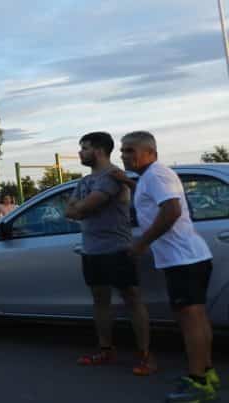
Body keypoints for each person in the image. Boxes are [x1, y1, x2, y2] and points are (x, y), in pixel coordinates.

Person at [115, 131, 218, 402]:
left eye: (130, 150)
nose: (124, 155)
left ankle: (198, 383)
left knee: (191, 322)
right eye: (122, 150)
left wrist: (142, 243)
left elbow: (171, 210)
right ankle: (206, 373)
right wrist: (127, 181)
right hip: (188, 258)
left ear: (151, 152)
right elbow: (154, 199)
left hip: (184, 260)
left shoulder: (156, 175)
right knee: (196, 319)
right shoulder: (151, 177)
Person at [64, 131, 155, 375]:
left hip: (118, 249)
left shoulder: (113, 176)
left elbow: (85, 207)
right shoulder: (85, 181)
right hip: (91, 251)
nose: (80, 153)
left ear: (99, 150)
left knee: (132, 299)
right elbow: (69, 211)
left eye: (84, 148)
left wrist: (80, 208)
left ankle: (146, 356)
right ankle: (106, 350)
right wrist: (80, 209)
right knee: (100, 301)